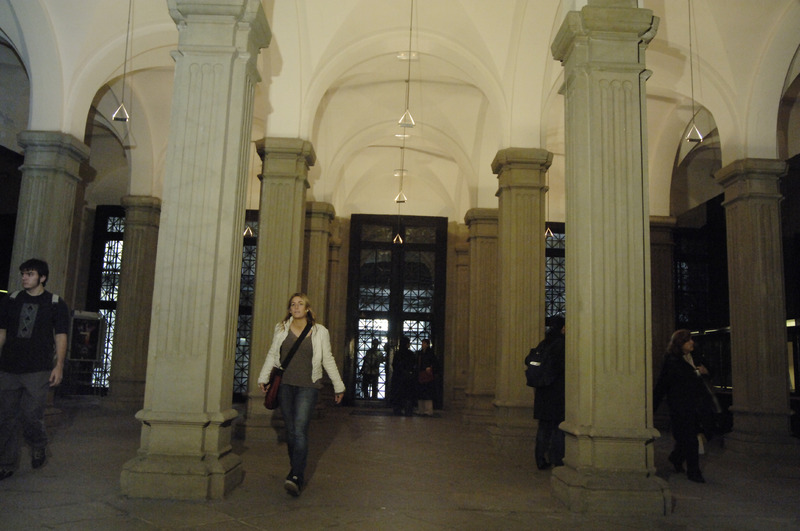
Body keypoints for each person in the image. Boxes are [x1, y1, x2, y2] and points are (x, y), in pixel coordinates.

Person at [257, 293, 345, 497]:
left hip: (308, 386)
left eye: (300, 304)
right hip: (285, 385)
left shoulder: (320, 331)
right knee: (290, 431)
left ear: (307, 309)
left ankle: (296, 475)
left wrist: (338, 386)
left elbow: (327, 358)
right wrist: (263, 377)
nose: (296, 307)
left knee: (299, 430)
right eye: (293, 304)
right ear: (289, 309)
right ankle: (295, 468)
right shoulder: (281, 329)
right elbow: (273, 354)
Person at [0, 259, 70, 481]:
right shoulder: (11, 300)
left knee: (31, 415)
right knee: (6, 417)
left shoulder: (55, 303)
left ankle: (38, 443)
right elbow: (2, 332)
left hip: (38, 368)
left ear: (42, 277)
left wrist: (59, 365)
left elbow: (61, 336)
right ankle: (6, 463)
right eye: (23, 273)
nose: (24, 277)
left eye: (29, 274)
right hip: (9, 367)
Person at [653, 329, 711, 483]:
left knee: (688, 438)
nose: (692, 342)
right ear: (680, 343)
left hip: (697, 404)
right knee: (690, 439)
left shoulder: (695, 357)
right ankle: (694, 472)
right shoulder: (671, 360)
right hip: (680, 405)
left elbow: (705, 373)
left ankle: (676, 458)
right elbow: (663, 384)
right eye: (688, 340)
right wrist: (653, 406)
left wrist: (705, 372)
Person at [533, 315, 566, 470]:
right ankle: (557, 458)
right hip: (556, 391)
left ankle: (540, 458)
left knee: (543, 427)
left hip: (542, 391)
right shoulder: (562, 344)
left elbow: (529, 360)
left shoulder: (544, 343)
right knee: (558, 426)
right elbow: (561, 367)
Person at [390, 336, 416, 416]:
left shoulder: (397, 354)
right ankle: (408, 410)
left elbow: (394, 365)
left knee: (398, 394)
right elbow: (413, 364)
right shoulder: (410, 354)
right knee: (407, 395)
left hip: (398, 377)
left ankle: (397, 410)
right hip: (407, 378)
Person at [415, 338, 438, 416]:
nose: (422, 344)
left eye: (424, 343)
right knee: (421, 392)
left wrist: (430, 368)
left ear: (427, 344)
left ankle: (428, 410)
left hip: (427, 375)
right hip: (421, 374)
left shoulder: (430, 353)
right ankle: (421, 409)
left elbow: (434, 363)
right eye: (422, 343)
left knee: (428, 392)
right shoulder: (420, 353)